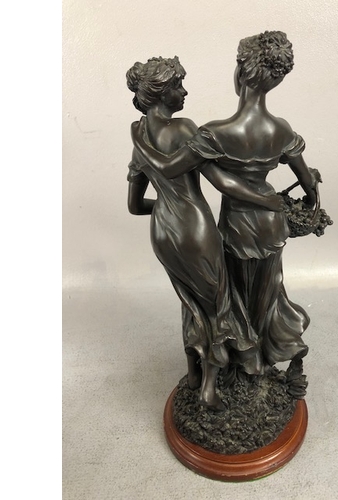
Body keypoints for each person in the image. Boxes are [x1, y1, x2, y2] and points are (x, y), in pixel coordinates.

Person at [131, 32, 320, 369]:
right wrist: (304, 201)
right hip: (271, 224)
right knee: (267, 291)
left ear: (239, 74)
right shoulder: (281, 129)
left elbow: (176, 172)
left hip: (237, 225)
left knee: (234, 294)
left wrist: (139, 141)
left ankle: (241, 367)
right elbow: (309, 184)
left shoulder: (215, 133)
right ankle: (260, 361)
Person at [126, 56, 284, 410]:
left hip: (162, 233)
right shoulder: (184, 129)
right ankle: (209, 388)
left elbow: (135, 206)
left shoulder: (139, 139)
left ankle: (193, 374)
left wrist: (167, 208)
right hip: (195, 230)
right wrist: (264, 199)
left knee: (191, 302)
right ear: (160, 93)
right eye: (177, 86)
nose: (184, 92)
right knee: (218, 306)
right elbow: (220, 181)